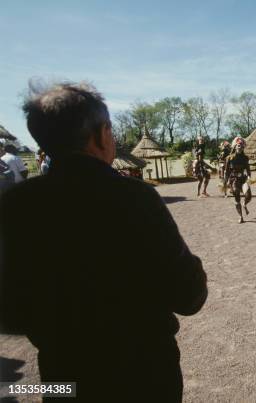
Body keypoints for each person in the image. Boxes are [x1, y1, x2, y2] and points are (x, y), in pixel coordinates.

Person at [0, 82, 207, 403]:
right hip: (145, 374)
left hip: (62, 376)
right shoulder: (135, 197)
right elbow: (189, 297)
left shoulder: (16, 204)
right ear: (100, 135)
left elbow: (9, 312)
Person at [224, 137, 252, 223]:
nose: (239, 146)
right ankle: (241, 217)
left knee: (248, 196)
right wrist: (226, 182)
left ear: (243, 147)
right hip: (234, 180)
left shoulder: (245, 158)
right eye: (238, 145)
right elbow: (226, 171)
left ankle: (244, 204)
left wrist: (249, 177)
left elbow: (248, 169)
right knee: (236, 195)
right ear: (235, 146)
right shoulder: (229, 158)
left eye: (241, 145)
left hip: (243, 179)